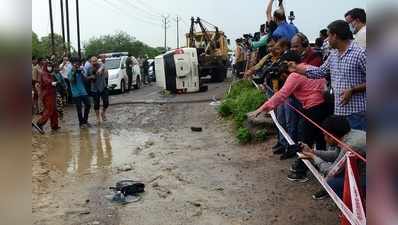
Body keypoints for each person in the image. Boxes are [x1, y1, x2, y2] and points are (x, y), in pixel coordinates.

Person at [249, 51, 329, 171]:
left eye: (283, 64)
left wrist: (262, 108)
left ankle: (301, 169)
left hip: (312, 108)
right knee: (319, 138)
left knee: (305, 140)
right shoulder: (310, 68)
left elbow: (282, 95)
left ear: (290, 63)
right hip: (324, 106)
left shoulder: (295, 75)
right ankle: (320, 166)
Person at [290, 20, 367, 131]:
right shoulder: (334, 54)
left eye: (328, 36)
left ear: (335, 36)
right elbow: (320, 72)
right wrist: (297, 69)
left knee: (357, 147)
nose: (326, 39)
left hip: (358, 114)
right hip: (339, 112)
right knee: (344, 147)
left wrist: (353, 89)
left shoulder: (360, 53)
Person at [299, 116, 366, 200]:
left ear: (331, 136)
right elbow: (335, 155)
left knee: (332, 182)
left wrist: (314, 158)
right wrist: (313, 151)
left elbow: (331, 171)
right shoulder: (351, 134)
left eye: (324, 135)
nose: (324, 138)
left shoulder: (350, 146)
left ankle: (353, 207)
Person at [35, 61, 60, 132]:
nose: (50, 67)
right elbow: (46, 80)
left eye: (51, 66)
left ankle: (54, 126)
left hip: (52, 94)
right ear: (46, 66)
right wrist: (51, 82)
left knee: (54, 111)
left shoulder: (51, 74)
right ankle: (40, 123)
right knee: (49, 110)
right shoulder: (44, 73)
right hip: (47, 95)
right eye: (49, 66)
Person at [68, 58, 91, 128]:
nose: (76, 65)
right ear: (72, 64)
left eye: (77, 63)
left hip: (83, 92)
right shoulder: (70, 72)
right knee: (79, 108)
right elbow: (71, 81)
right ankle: (81, 123)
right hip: (76, 93)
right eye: (75, 63)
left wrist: (82, 72)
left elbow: (86, 80)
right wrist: (74, 72)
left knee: (88, 105)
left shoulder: (81, 71)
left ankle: (85, 120)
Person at [89, 58, 109, 123]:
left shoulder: (101, 66)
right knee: (96, 104)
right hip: (94, 89)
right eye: (93, 61)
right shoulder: (89, 68)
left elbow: (103, 67)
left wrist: (100, 70)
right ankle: (98, 118)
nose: (94, 62)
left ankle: (103, 113)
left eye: (95, 61)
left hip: (103, 86)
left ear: (97, 61)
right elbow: (85, 77)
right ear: (91, 62)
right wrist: (91, 77)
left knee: (106, 102)